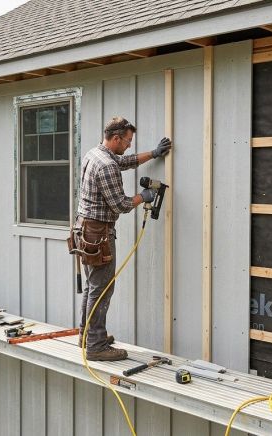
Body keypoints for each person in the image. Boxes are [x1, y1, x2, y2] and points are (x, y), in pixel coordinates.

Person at [75, 116, 171, 361]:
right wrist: (145, 196)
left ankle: (87, 335)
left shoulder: (95, 154)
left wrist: (154, 153)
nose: (129, 145)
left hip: (85, 229)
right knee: (102, 288)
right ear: (116, 138)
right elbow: (120, 205)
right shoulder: (106, 166)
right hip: (98, 234)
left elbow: (124, 161)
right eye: (127, 141)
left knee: (93, 286)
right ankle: (95, 346)